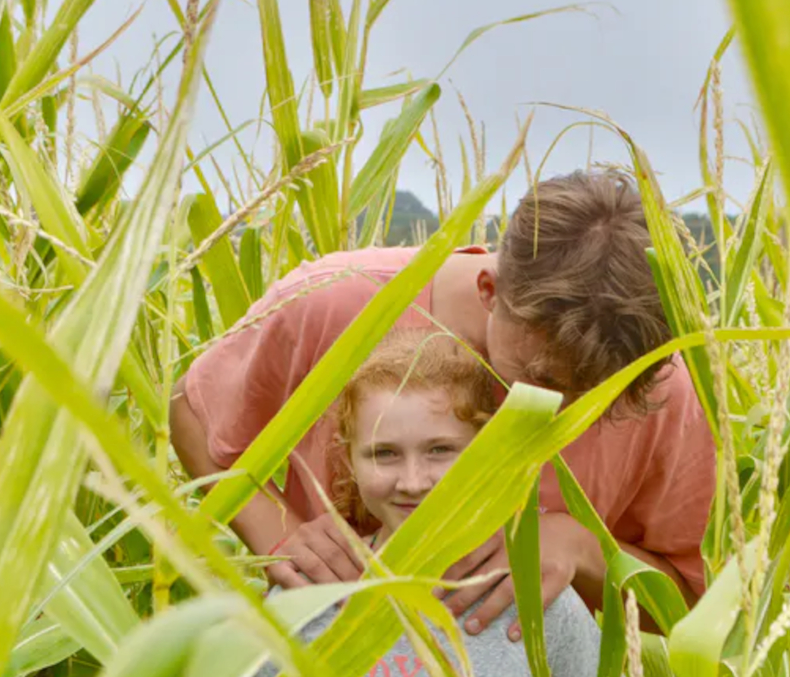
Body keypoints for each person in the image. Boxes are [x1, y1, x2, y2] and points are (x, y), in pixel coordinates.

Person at [170, 170, 716, 641]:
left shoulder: (656, 384)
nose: (562, 414)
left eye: (596, 400)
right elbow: (195, 413)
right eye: (541, 382)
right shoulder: (338, 301)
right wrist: (281, 536)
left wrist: (584, 549)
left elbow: (690, 603)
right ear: (489, 290)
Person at [257, 328, 601, 677]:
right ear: (348, 461)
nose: (413, 482)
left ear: (485, 452)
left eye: (440, 450)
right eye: (384, 453)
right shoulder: (304, 599)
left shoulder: (539, 601)